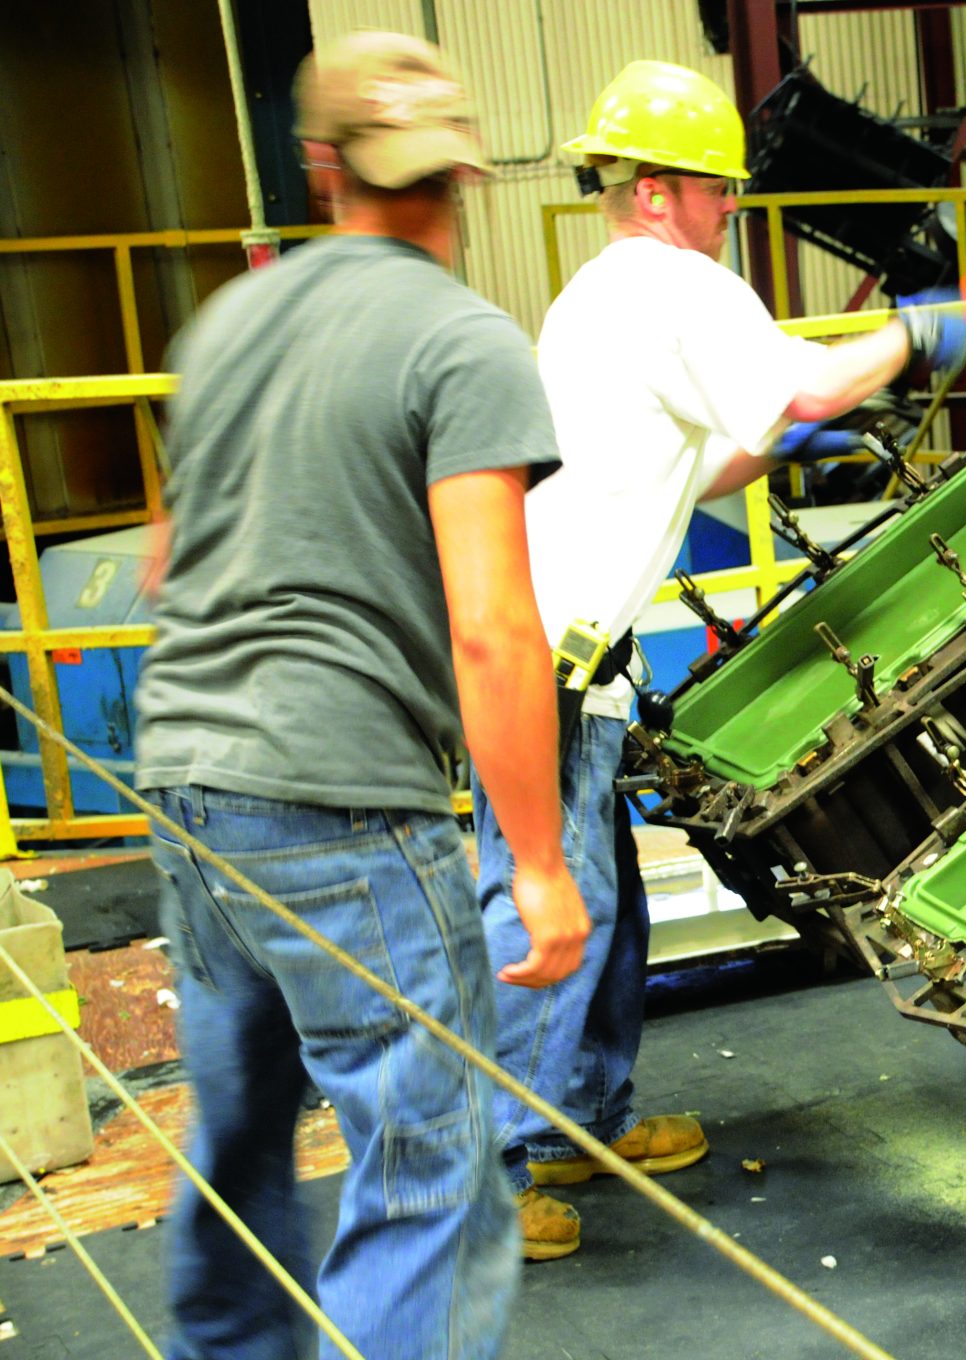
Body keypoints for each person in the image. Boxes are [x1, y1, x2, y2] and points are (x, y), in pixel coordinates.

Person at [135, 32, 589, 1359]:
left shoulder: (226, 323)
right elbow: (493, 628)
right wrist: (537, 861)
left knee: (238, 1139)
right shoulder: (461, 339)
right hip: (343, 802)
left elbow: (171, 558)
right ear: (465, 172)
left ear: (319, 166)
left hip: (188, 783)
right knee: (429, 1170)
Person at [479, 59, 966, 1261]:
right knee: (553, 910)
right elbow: (801, 381)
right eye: (714, 190)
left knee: (608, 908)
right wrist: (911, 332)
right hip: (543, 660)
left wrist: (798, 443)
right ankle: (486, 1179)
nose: (729, 210)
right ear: (652, 190)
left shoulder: (603, 293)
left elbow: (698, 461)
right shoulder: (669, 285)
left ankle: (578, 1120)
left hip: (565, 656)